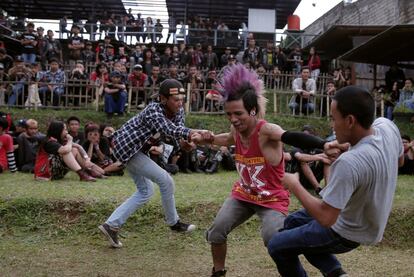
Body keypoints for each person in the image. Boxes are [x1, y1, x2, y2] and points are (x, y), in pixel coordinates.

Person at [191, 64, 338, 277]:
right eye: (229, 114)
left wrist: (323, 144)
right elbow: (226, 138)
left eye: (238, 114)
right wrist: (208, 139)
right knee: (216, 231)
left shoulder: (266, 131)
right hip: (243, 194)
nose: (233, 119)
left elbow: (292, 136)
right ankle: (218, 272)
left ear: (252, 110)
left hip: (272, 200)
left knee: (275, 240)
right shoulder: (236, 129)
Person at [267, 86, 404, 277]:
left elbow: (326, 218)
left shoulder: (349, 163)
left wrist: (294, 185)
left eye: (333, 118)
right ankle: (336, 273)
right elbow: (400, 160)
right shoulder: (386, 126)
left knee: (277, 246)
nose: (332, 125)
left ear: (350, 121)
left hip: (347, 231)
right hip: (367, 220)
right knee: (292, 222)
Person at [98, 79, 209, 248]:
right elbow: (168, 129)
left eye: (181, 99)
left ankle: (111, 225)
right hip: (127, 149)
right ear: (163, 99)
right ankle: (174, 223)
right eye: (175, 99)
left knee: (145, 191)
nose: (180, 103)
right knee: (166, 180)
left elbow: (177, 135)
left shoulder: (178, 111)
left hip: (139, 150)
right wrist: (196, 132)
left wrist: (186, 144)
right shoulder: (153, 110)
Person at [34, 121, 105, 181]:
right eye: (64, 130)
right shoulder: (49, 141)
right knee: (67, 151)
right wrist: (70, 140)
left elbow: (79, 147)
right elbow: (65, 150)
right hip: (45, 173)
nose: (67, 132)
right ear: (58, 130)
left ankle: (89, 171)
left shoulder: (61, 140)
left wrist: (87, 159)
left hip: (56, 171)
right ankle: (82, 174)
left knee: (74, 150)